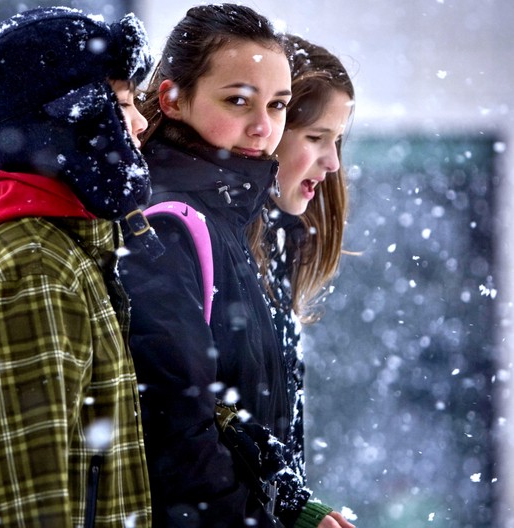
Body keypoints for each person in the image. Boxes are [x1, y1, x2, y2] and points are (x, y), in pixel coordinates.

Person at [0, 6, 162, 527]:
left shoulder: (56, 252)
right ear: (72, 119)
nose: (140, 122)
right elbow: (16, 507)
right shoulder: (33, 272)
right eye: (122, 104)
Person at [119, 5, 351, 527]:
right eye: (238, 101)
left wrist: (295, 509)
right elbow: (176, 440)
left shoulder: (227, 222)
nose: (263, 126)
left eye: (279, 105)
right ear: (172, 100)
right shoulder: (169, 225)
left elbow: (237, 427)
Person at [246, 34, 357, 528]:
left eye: (338, 141)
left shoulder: (278, 240)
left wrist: (299, 510)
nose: (333, 162)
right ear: (268, 129)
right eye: (316, 138)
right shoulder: (203, 239)